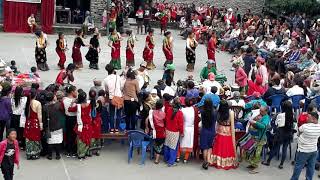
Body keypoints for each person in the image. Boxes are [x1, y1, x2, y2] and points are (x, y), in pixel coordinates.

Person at [262, 101, 294, 169]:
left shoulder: (280, 115)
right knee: (285, 149)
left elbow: (276, 124)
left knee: (275, 148)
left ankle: (268, 162)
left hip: (281, 133)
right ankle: (281, 164)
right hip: (288, 133)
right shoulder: (292, 114)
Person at [291, 112, 320, 180]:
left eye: (308, 117)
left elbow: (298, 134)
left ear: (313, 119)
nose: (306, 118)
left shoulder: (304, 126)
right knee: (311, 167)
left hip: (303, 150)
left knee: (298, 167)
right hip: (313, 150)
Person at [210, 100, 238, 170]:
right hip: (228, 132)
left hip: (220, 131)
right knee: (227, 148)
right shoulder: (231, 113)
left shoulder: (218, 112)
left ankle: (217, 161)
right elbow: (232, 125)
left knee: (219, 147)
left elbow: (217, 124)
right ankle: (226, 162)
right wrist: (233, 136)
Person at [246, 106, 270, 174]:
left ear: (266, 111)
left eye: (262, 111)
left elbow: (263, 126)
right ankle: (252, 164)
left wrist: (254, 122)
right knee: (253, 151)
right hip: (255, 136)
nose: (260, 112)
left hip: (260, 138)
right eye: (260, 110)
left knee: (257, 152)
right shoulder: (260, 115)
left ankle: (256, 167)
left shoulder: (266, 117)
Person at [177, 98, 199, 163]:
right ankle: (185, 158)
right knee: (189, 143)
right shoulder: (195, 109)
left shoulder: (182, 110)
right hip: (191, 128)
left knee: (180, 142)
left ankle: (178, 156)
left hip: (184, 127)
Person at [164, 97, 183, 167]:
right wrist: (182, 132)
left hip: (168, 129)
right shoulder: (180, 113)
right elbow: (180, 124)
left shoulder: (169, 109)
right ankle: (171, 162)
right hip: (175, 131)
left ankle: (166, 158)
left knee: (167, 145)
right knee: (173, 147)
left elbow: (166, 119)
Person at [43, 92, 63, 160]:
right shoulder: (58, 105)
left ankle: (50, 155)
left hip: (50, 126)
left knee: (50, 142)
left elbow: (44, 119)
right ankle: (58, 155)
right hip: (58, 126)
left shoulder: (45, 107)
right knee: (58, 141)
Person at [103, 64, 123, 133]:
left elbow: (106, 90)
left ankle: (111, 129)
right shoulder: (118, 77)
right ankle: (117, 128)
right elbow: (121, 87)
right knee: (118, 114)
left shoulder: (105, 79)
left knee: (111, 114)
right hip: (119, 97)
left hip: (111, 98)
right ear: (113, 70)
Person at [24, 88, 42, 160]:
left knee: (29, 138)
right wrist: (41, 124)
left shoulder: (28, 102)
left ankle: (29, 153)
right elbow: (39, 115)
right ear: (36, 94)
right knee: (35, 138)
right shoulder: (37, 103)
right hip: (35, 122)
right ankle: (35, 154)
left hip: (28, 122)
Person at [74, 91, 93, 160]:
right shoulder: (89, 104)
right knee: (88, 138)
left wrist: (73, 102)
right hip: (88, 124)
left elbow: (69, 109)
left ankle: (81, 154)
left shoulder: (78, 106)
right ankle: (87, 153)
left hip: (81, 125)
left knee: (81, 140)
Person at [147, 100, 166, 164]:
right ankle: (157, 159)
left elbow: (147, 121)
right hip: (161, 132)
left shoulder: (152, 112)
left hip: (153, 131)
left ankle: (154, 156)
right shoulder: (163, 114)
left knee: (155, 143)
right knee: (159, 145)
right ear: (162, 106)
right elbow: (165, 123)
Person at [200, 99, 217, 170]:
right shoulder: (215, 112)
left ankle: (205, 161)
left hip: (204, 130)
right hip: (212, 130)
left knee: (204, 147)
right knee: (210, 147)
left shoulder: (202, 112)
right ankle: (208, 160)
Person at [63, 85, 78, 158]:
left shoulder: (64, 100)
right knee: (75, 135)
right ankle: (74, 151)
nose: (77, 92)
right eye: (76, 91)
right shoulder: (75, 101)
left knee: (69, 134)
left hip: (67, 118)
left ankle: (68, 151)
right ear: (72, 92)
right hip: (74, 118)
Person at [88, 90, 102, 156]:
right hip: (97, 121)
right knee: (97, 135)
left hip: (90, 120)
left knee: (91, 135)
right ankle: (97, 150)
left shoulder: (88, 102)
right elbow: (100, 111)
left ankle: (90, 150)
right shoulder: (98, 102)